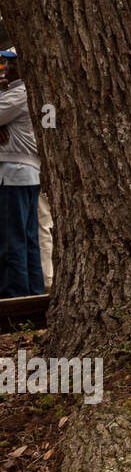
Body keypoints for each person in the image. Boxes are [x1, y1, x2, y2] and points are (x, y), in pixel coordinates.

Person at [0, 51, 44, 297]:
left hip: (14, 174)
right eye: (5, 62)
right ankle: (34, 293)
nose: (5, 67)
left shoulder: (18, 94)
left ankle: (14, 299)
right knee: (28, 241)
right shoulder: (26, 93)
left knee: (11, 242)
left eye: (11, 63)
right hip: (28, 173)